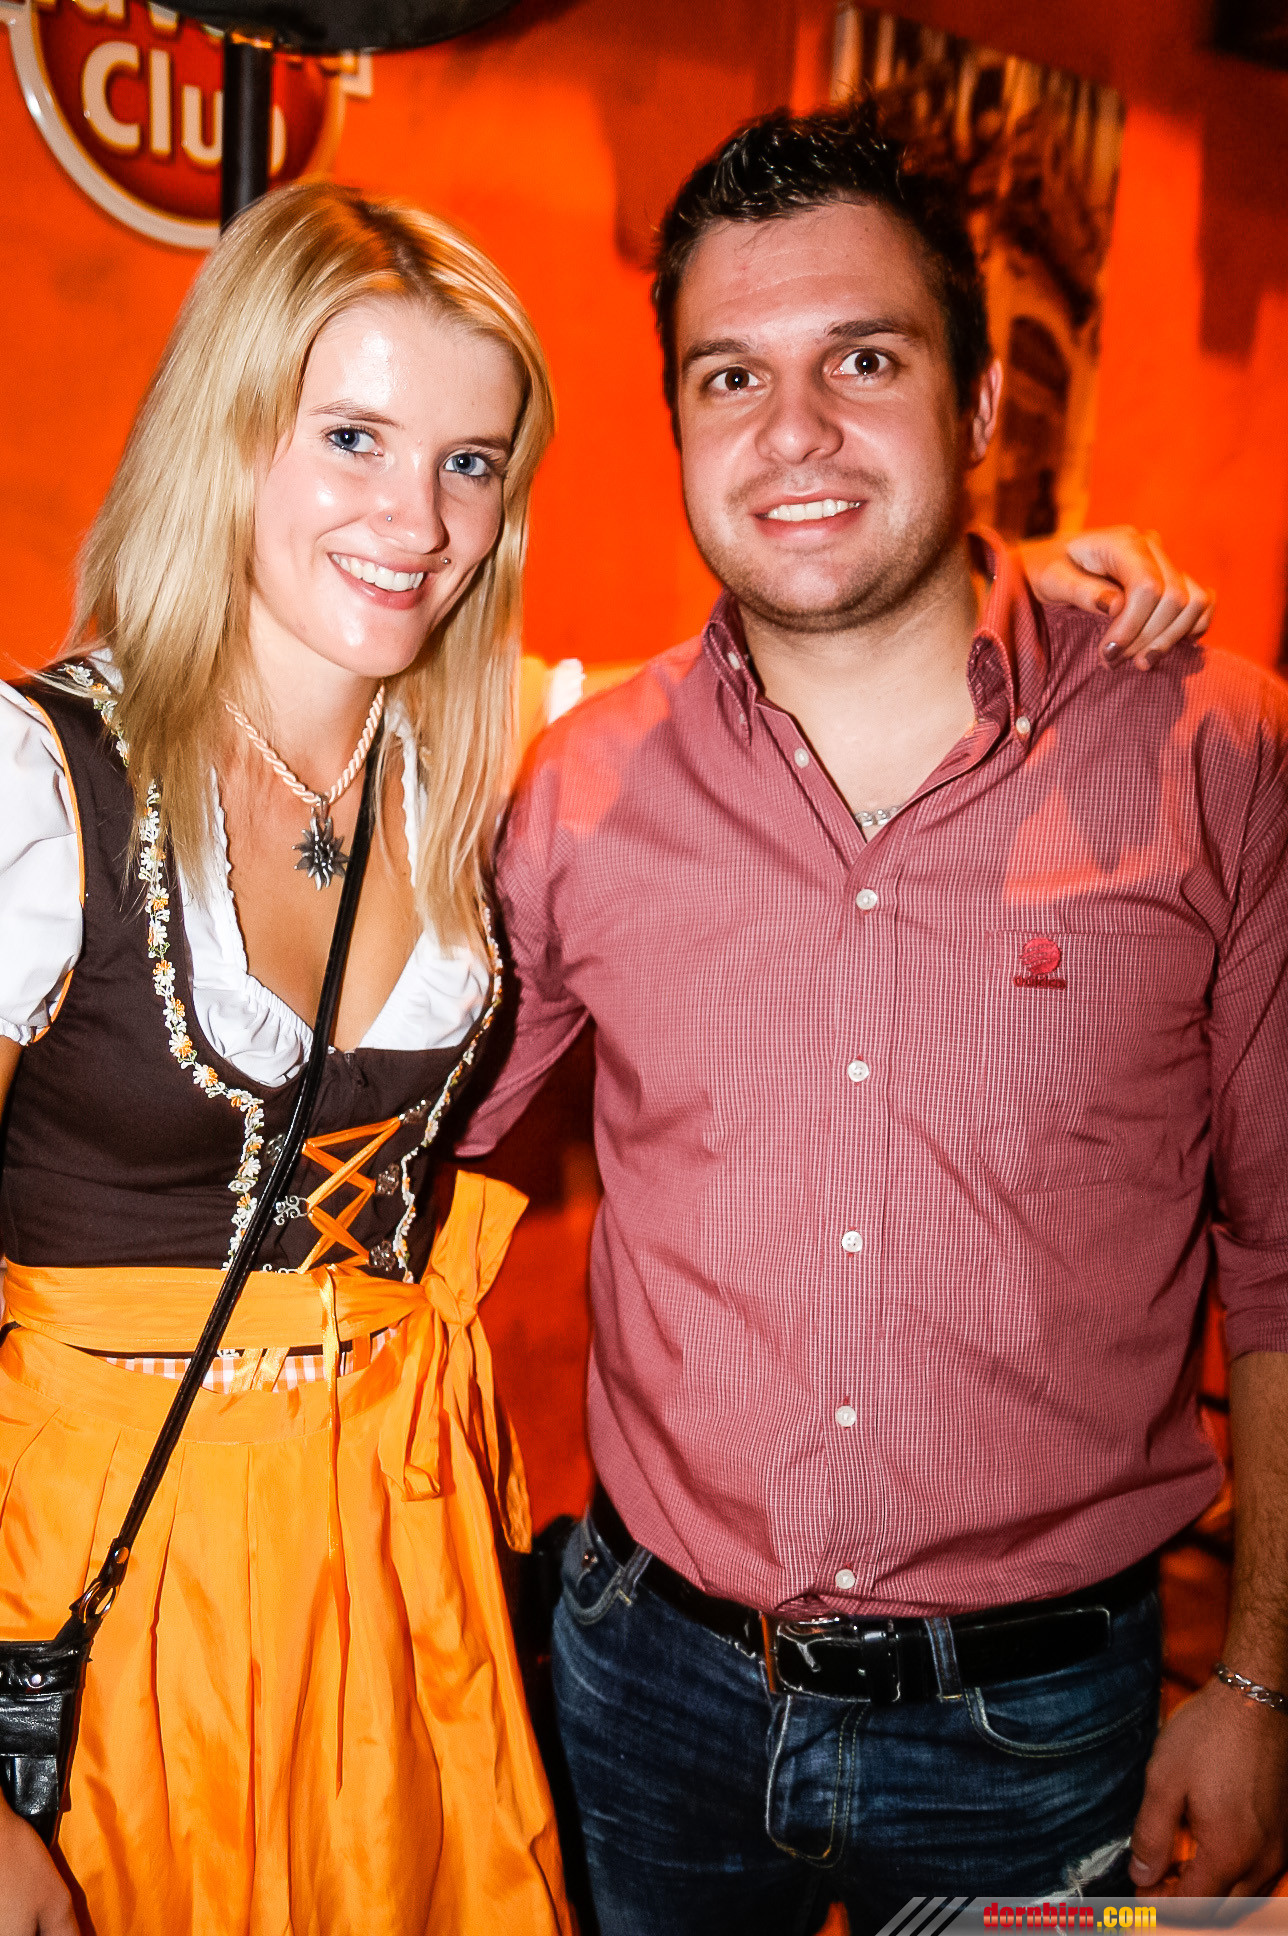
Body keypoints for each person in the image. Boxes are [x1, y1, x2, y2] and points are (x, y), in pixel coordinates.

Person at [455, 104, 1288, 1932]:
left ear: (980, 406)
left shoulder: (1214, 746)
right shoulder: (579, 788)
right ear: (679, 425)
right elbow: (400, 1161)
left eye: (864, 359)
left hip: (1043, 1732)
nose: (794, 432)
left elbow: (1284, 1250)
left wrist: (1262, 1681)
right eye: (731, 376)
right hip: (646, 1689)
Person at [0, 182, 573, 1935]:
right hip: (106, 1558)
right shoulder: (41, 782)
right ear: (230, 432)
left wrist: (1029, 594)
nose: (418, 520)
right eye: (352, 438)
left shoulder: (465, 774)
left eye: (470, 463)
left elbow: (808, 662)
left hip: (397, 1562)